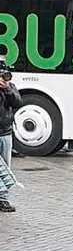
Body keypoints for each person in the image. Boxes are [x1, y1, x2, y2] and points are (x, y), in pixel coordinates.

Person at [1, 63, 22, 213]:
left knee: (5, 169)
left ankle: (3, 200)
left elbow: (17, 102)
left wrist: (7, 89)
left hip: (5, 133)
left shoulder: (10, 87)